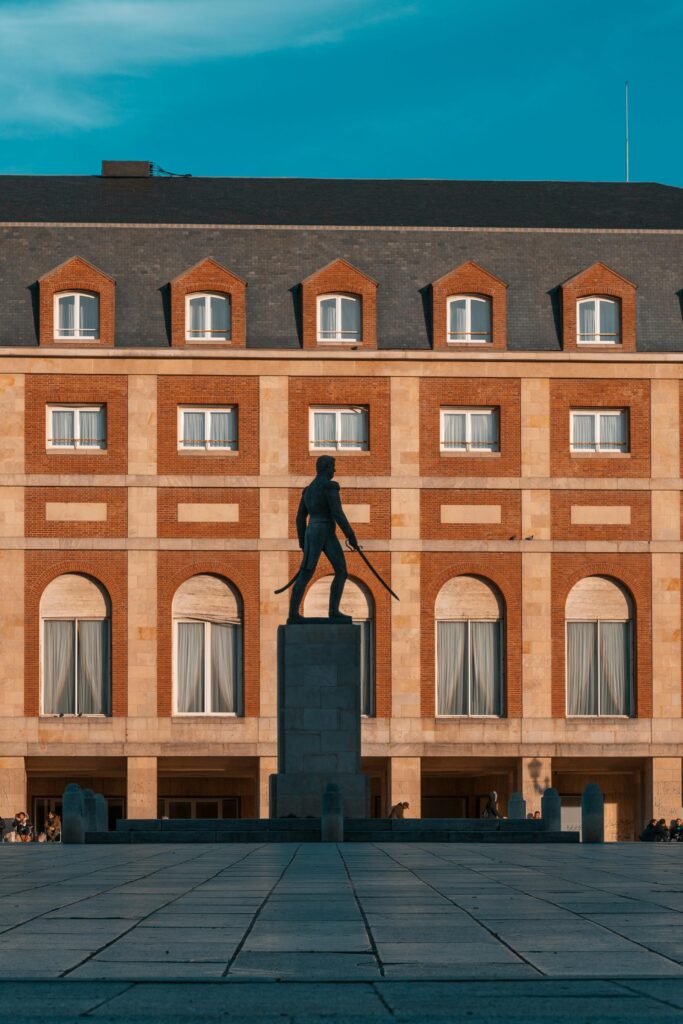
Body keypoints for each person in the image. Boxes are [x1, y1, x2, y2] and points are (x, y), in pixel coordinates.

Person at [287, 455, 358, 623]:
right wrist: (350, 535)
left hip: (313, 531)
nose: (334, 470)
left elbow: (299, 519)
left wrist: (303, 541)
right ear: (326, 468)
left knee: (309, 572)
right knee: (339, 571)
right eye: (333, 467)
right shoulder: (329, 487)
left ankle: (294, 613)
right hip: (325, 531)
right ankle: (331, 611)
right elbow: (337, 513)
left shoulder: (308, 490)